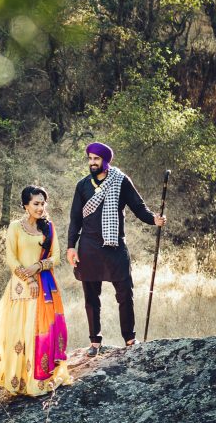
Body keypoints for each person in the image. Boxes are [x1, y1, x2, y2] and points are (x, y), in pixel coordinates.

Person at [66, 143, 167, 357]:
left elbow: (138, 208)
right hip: (89, 246)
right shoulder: (82, 185)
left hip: (115, 247)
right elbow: (75, 219)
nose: (92, 162)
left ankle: (130, 339)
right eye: (90, 158)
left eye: (96, 159)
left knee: (125, 293)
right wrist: (70, 247)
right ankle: (95, 342)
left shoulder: (121, 181)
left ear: (105, 160)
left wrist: (153, 220)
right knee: (91, 297)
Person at [0, 185, 72, 397]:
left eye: (43, 204)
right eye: (36, 204)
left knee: (40, 329)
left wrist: (38, 267)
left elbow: (56, 257)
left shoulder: (48, 228)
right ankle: (18, 378)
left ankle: (38, 378)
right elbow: (11, 258)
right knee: (20, 331)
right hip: (20, 287)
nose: (40, 208)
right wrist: (28, 277)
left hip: (46, 286)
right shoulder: (15, 227)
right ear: (25, 205)